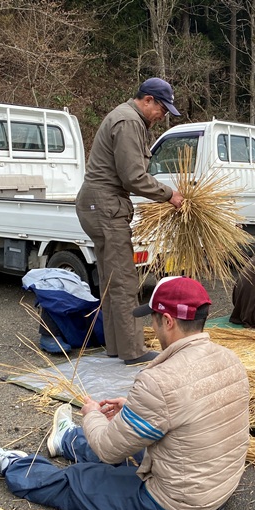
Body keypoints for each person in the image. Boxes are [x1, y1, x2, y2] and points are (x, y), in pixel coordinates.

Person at [0, 276, 250, 510]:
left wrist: (91, 415)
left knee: (80, 480)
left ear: (168, 321)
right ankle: (66, 440)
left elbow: (109, 451)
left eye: (153, 318)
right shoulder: (230, 360)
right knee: (127, 438)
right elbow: (186, 414)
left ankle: (8, 463)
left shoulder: (160, 381)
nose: (152, 325)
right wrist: (132, 407)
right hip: (220, 485)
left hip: (178, 503)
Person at [75, 77, 185, 365]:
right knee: (123, 280)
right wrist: (170, 194)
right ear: (147, 100)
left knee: (111, 279)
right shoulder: (128, 121)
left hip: (98, 204)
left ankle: (116, 346)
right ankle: (133, 351)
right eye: (162, 109)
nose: (162, 117)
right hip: (105, 205)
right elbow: (133, 177)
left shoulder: (124, 117)